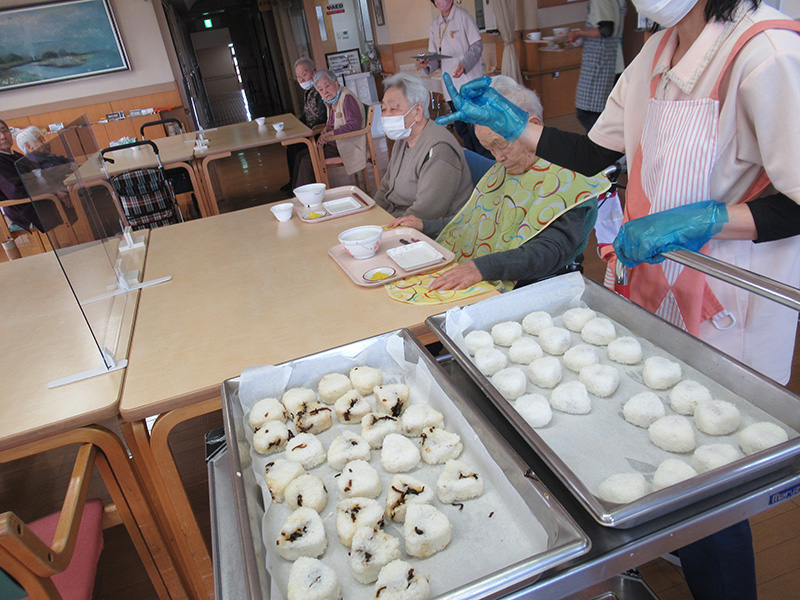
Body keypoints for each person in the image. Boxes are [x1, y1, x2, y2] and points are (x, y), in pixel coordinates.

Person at [438, 1, 800, 597]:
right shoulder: (656, 53)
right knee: (664, 461)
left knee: (713, 481)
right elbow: (592, 154)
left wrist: (711, 219)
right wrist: (512, 123)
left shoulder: (766, 54)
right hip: (653, 291)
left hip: (727, 303)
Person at [388, 76, 607, 292]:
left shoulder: (571, 175)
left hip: (536, 286)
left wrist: (482, 268)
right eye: (489, 149)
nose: (497, 158)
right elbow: (470, 223)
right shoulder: (506, 170)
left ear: (533, 126)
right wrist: (425, 226)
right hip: (492, 274)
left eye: (501, 145)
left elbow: (549, 251)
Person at [373, 72, 472, 220]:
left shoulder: (439, 149)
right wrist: (371, 218)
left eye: (393, 109)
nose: (385, 116)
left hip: (432, 233)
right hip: (398, 220)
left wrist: (385, 228)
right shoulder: (402, 141)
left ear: (418, 111)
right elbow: (386, 187)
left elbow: (424, 213)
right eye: (384, 109)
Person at [417, 0, 492, 159]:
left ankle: (489, 167)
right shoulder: (435, 25)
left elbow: (477, 46)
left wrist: (464, 64)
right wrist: (426, 63)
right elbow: (435, 58)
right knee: (463, 130)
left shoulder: (463, 16)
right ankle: (475, 167)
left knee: (477, 129)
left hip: (469, 84)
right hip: (451, 88)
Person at [292, 70, 367, 188]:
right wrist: (326, 129)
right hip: (334, 142)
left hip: (345, 144)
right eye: (320, 90)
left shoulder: (347, 98)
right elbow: (333, 121)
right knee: (299, 155)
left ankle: (308, 196)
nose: (325, 92)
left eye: (327, 86)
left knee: (308, 161)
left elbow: (354, 125)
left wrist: (331, 133)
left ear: (336, 83)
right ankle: (296, 192)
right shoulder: (332, 101)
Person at [567, 0, 627, 132]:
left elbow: (606, 29)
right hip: (613, 64)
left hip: (601, 65)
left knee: (588, 112)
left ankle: (604, 147)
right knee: (605, 112)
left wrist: (578, 33)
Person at [0, 119, 62, 233]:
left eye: (4, 131)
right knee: (77, 202)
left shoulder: (16, 155)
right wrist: (53, 192)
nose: (3, 136)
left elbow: (41, 174)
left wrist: (55, 190)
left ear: (10, 132)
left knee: (80, 194)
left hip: (42, 197)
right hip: (25, 208)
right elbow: (17, 191)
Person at [282, 57, 328, 194]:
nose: (301, 79)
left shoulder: (321, 91)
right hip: (309, 131)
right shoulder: (308, 92)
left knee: (298, 150)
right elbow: (306, 115)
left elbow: (323, 118)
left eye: (304, 74)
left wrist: (307, 130)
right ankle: (293, 183)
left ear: (314, 73)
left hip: (318, 133)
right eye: (298, 77)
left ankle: (299, 188)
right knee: (291, 146)